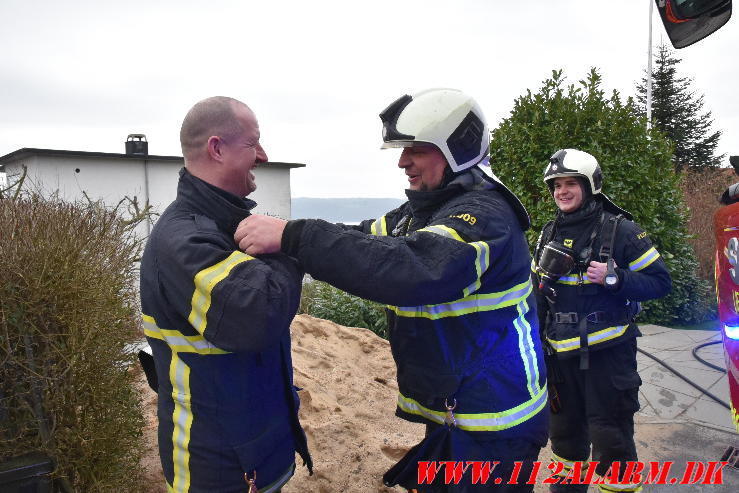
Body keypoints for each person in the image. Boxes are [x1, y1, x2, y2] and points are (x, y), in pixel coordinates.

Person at [235, 88, 548, 491]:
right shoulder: (426, 209)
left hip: (496, 424)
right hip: (460, 413)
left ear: (455, 149)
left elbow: (412, 269)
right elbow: (368, 240)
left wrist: (294, 237)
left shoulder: (485, 216)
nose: (403, 162)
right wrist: (282, 242)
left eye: (415, 149)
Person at [139, 96, 311, 493]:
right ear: (217, 149)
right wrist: (289, 244)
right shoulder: (185, 241)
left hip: (253, 454)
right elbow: (259, 315)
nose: (263, 156)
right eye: (254, 143)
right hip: (214, 469)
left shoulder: (226, 224)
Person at [533, 149, 672, 492]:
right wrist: (535, 345)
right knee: (565, 442)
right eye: (556, 186)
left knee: (611, 440)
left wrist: (616, 278)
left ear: (589, 184)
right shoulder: (549, 231)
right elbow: (538, 296)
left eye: (569, 184)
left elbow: (660, 282)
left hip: (608, 358)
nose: (561, 192)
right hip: (560, 359)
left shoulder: (621, 230)